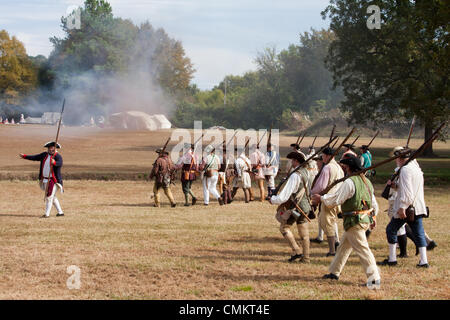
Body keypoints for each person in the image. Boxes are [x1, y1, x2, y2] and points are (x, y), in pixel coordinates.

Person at [312, 155, 380, 287]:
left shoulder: (350, 182)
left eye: (344, 167)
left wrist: (321, 198)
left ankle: (374, 279)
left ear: (348, 168)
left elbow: (337, 199)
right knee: (343, 247)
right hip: (363, 219)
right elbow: (373, 203)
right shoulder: (367, 182)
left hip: (355, 222)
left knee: (363, 250)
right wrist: (373, 216)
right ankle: (334, 272)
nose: (343, 169)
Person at [378, 147, 430, 268]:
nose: (396, 161)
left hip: (407, 208)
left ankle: (392, 259)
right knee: (419, 233)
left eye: (397, 159)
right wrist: (395, 185)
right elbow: (407, 187)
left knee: (391, 229)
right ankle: (424, 261)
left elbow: (408, 193)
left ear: (401, 158)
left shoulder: (405, 169)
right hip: (416, 207)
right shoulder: (416, 168)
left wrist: (402, 207)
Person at [270, 152, 312, 263]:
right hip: (306, 206)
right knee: (304, 233)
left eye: (292, 160)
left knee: (284, 228)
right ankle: (306, 257)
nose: (291, 162)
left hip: (296, 207)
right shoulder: (307, 172)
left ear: (296, 161)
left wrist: (273, 199)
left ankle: (297, 250)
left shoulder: (295, 175)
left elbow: (285, 196)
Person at [310, 147, 344, 256]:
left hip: (328, 199)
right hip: (337, 198)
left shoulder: (327, 168)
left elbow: (321, 185)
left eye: (323, 155)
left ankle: (332, 250)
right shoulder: (338, 167)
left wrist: (313, 193)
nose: (322, 158)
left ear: (328, 156)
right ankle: (335, 246)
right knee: (330, 222)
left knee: (327, 223)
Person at [19, 141, 64, 218]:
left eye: (52, 148)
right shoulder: (44, 155)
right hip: (45, 179)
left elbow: (60, 163)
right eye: (49, 148)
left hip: (53, 180)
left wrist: (55, 163)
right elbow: (35, 157)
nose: (51, 149)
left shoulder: (58, 156)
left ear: (55, 148)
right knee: (52, 197)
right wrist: (25, 156)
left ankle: (47, 214)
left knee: (49, 197)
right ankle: (60, 212)